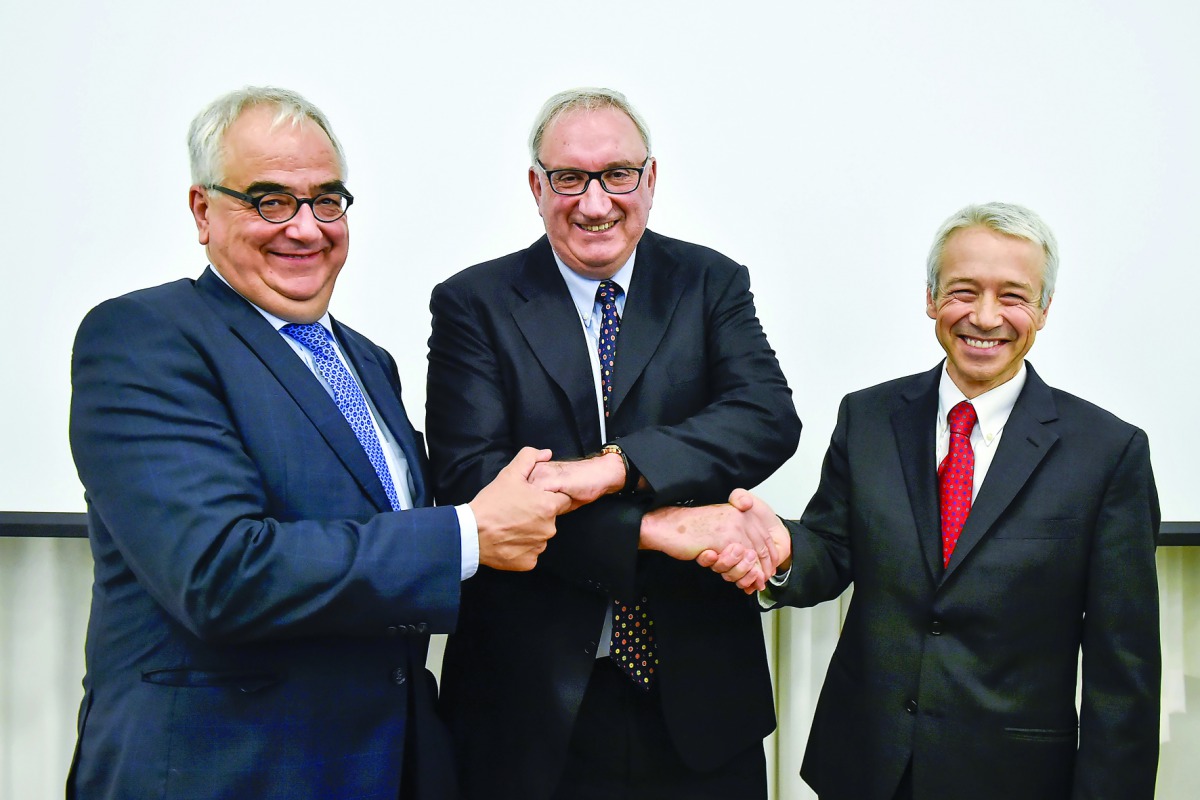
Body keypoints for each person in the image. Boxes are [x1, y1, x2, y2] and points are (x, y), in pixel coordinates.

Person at [66, 86, 570, 800]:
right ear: (203, 211)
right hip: (227, 774)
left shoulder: (367, 362)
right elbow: (220, 573)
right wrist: (466, 534)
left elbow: (398, 544)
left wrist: (636, 514)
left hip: (384, 765)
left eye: (326, 200)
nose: (305, 228)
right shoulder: (144, 339)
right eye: (269, 200)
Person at [700, 202, 1162, 800]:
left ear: (1044, 310)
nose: (986, 316)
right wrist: (784, 550)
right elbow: (833, 550)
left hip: (1013, 779)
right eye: (963, 291)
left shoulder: (1107, 452)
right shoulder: (867, 417)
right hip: (866, 765)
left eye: (1014, 296)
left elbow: (1122, 676)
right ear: (930, 298)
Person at [425, 87, 800, 799]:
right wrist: (656, 528)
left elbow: (766, 417)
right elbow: (471, 482)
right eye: (570, 178)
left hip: (699, 697)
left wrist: (618, 470)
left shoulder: (710, 282)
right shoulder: (472, 303)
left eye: (618, 175)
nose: (596, 203)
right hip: (528, 706)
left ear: (650, 180)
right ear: (537, 187)